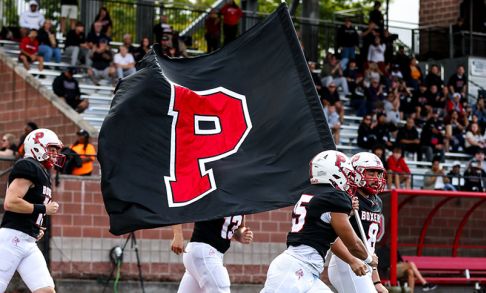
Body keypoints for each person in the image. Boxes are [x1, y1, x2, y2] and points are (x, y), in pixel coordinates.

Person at [261, 150, 377, 293]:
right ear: (334, 172)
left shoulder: (312, 193)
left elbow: (327, 232)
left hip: (307, 270)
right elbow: (353, 244)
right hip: (295, 268)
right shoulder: (334, 197)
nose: (349, 180)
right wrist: (369, 259)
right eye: (347, 174)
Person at [0, 128, 64, 293]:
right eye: (52, 149)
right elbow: (11, 202)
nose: (55, 153)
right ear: (37, 146)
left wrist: (35, 226)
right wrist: (44, 209)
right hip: (12, 240)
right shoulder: (28, 166)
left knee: (46, 290)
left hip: (28, 240)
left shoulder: (42, 171)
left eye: (56, 150)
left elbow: (28, 205)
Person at [327, 152, 388, 293]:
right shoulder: (347, 198)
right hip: (346, 261)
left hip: (365, 262)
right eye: (371, 173)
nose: (376, 178)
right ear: (356, 173)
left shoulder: (376, 201)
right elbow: (332, 238)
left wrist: (376, 281)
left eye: (379, 174)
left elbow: (369, 248)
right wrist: (351, 260)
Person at [170, 217, 253, 292]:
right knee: (221, 288)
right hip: (204, 251)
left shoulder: (241, 202)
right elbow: (177, 206)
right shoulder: (211, 199)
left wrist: (241, 234)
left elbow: (235, 228)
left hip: (208, 255)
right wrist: (177, 235)